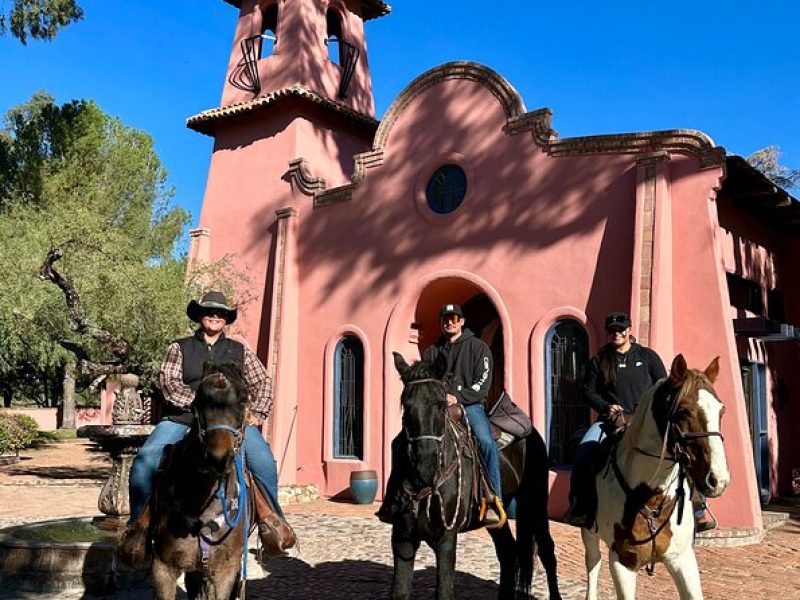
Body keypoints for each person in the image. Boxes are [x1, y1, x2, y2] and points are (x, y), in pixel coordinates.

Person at [118, 291, 295, 564]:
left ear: (226, 319)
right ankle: (138, 529)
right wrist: (201, 406)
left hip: (229, 424)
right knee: (146, 459)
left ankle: (272, 523)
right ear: (200, 315)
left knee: (264, 462)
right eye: (210, 311)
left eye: (221, 313)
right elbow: (169, 383)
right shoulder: (179, 348)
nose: (215, 316)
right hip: (184, 419)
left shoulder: (239, 351)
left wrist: (255, 412)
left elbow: (263, 384)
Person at [377, 302, 504, 527]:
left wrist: (458, 396)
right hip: (437, 406)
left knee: (485, 441)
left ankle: (492, 498)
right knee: (400, 442)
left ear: (462, 322)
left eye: (454, 318)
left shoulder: (478, 348)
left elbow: (483, 383)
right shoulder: (432, 352)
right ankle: (393, 500)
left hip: (470, 405)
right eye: (445, 319)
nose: (449, 322)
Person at [567, 311, 667, 528]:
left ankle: (697, 507)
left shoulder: (647, 357)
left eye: (621, 329)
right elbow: (588, 392)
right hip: (611, 420)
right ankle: (580, 508)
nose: (616, 334)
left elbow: (663, 385)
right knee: (584, 452)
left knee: (679, 447)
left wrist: (649, 408)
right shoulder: (599, 360)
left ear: (629, 330)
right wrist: (606, 406)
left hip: (645, 420)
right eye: (612, 330)